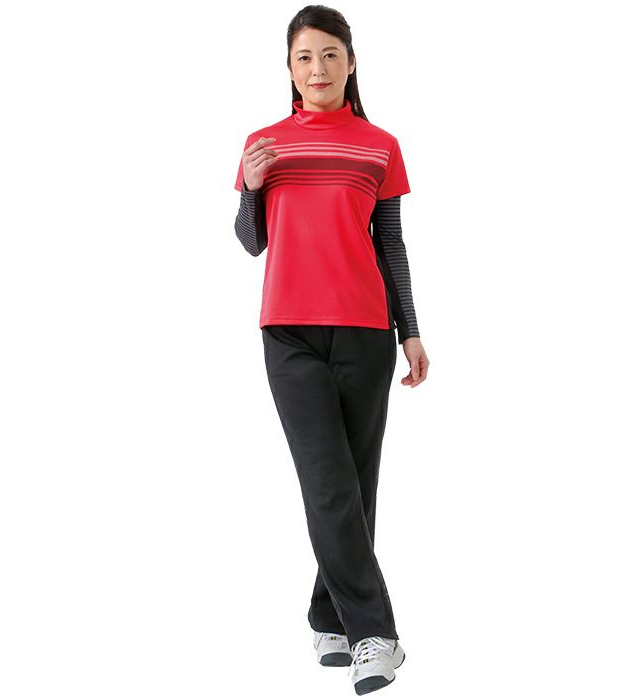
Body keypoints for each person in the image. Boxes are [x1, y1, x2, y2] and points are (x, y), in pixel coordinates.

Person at [233, 6, 429, 695]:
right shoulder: (263, 144)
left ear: (351, 62)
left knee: (355, 482)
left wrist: (410, 329)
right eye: (304, 57)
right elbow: (252, 241)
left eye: (329, 55)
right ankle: (377, 633)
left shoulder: (380, 146)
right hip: (289, 332)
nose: (317, 68)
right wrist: (251, 187)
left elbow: (390, 244)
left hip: (366, 330)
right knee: (327, 481)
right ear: (289, 69)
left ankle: (329, 615)